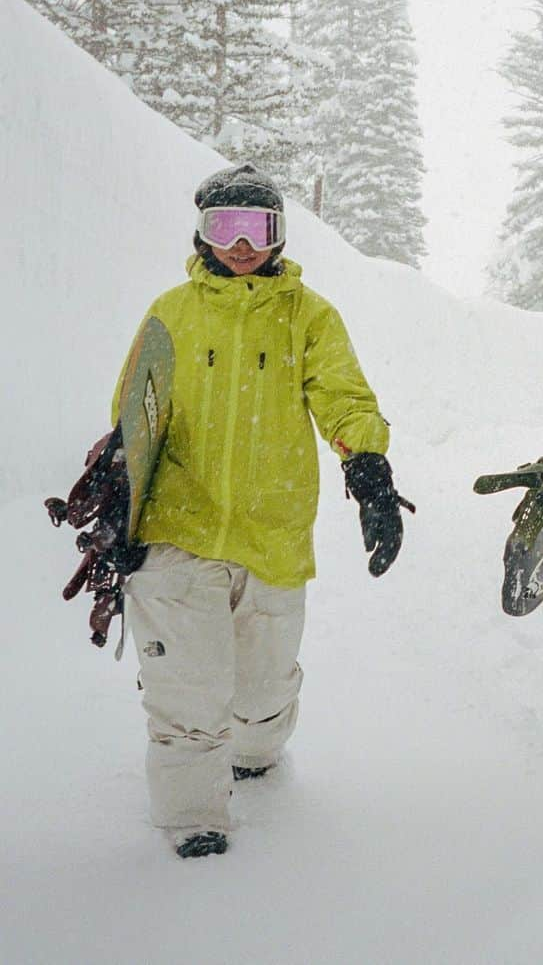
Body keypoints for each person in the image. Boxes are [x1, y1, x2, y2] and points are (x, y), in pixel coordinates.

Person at [118, 163, 410, 858]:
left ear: (278, 235)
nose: (241, 244)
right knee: (188, 690)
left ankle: (255, 750)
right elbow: (133, 415)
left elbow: (343, 397)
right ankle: (195, 818)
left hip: (272, 531)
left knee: (259, 690)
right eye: (226, 227)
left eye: (258, 228)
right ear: (202, 231)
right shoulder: (172, 313)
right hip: (176, 527)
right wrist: (119, 512)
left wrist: (367, 468)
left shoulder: (308, 316)